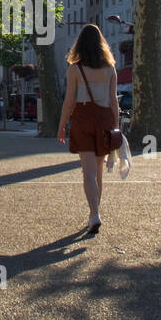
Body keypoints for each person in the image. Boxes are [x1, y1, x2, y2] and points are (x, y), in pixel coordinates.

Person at [57, 23, 120, 236]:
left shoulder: (75, 69)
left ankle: (94, 214)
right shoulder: (110, 69)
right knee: (99, 172)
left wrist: (62, 126)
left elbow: (69, 101)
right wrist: (116, 128)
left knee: (89, 172)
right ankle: (95, 213)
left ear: (80, 45)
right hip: (104, 120)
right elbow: (114, 102)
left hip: (83, 118)